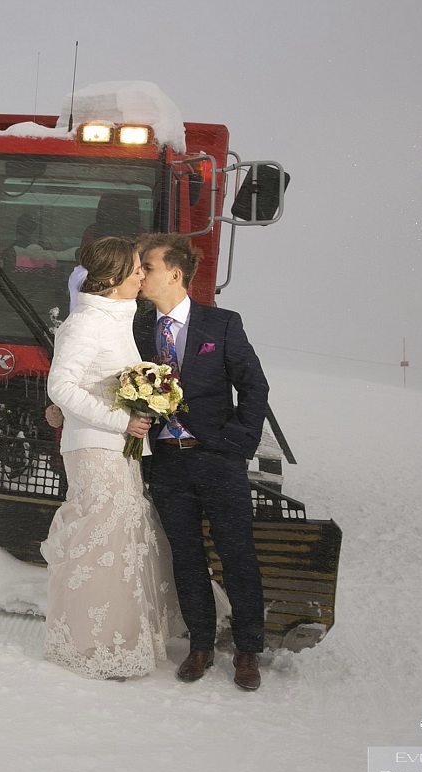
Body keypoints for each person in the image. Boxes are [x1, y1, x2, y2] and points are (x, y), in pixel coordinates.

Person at [132, 233, 270, 691]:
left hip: (219, 460)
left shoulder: (222, 324)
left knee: (237, 556)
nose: (141, 274)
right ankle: (201, 645)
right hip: (167, 462)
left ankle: (249, 650)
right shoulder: (137, 329)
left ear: (174, 273)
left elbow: (255, 388)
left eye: (146, 267)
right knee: (187, 558)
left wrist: (238, 442)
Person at [41, 236, 183, 680]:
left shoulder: (114, 319)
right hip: (94, 447)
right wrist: (121, 422)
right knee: (103, 539)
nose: (143, 275)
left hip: (115, 447)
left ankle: (113, 639)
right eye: (138, 268)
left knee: (119, 537)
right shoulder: (87, 323)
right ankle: (96, 645)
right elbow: (60, 387)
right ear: (116, 276)